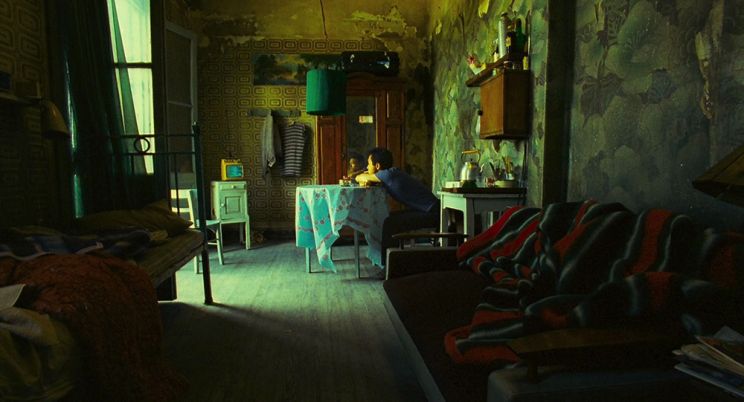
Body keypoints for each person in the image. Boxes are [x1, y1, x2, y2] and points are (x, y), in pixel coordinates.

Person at [355, 147, 439, 269]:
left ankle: (390, 266)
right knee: (389, 219)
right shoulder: (389, 174)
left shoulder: (388, 174)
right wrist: (367, 177)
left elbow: (360, 177)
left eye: (369, 164)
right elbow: (367, 178)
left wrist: (364, 177)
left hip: (433, 212)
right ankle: (391, 261)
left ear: (377, 166)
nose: (367, 167)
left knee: (389, 223)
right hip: (426, 209)